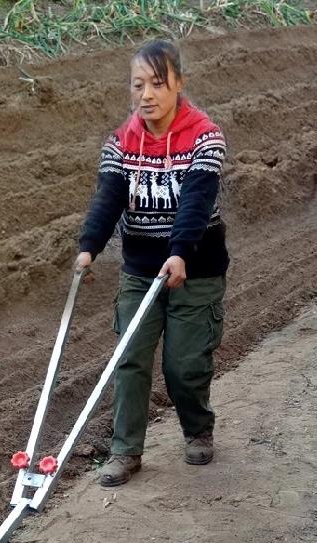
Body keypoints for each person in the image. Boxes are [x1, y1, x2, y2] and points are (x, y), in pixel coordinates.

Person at [75, 38, 228, 488]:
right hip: (141, 271)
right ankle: (126, 451)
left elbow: (197, 202)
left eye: (158, 83)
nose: (147, 94)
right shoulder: (121, 143)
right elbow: (108, 199)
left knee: (184, 364)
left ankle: (198, 427)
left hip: (195, 270)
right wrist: (89, 247)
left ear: (178, 83)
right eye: (138, 84)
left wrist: (180, 251)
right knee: (130, 358)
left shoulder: (205, 136)